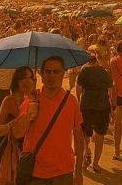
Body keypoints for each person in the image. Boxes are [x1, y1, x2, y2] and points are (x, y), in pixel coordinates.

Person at [13, 56, 84, 185]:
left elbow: (78, 136)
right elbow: (17, 133)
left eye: (56, 71)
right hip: (35, 171)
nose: (52, 76)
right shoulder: (32, 99)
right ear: (42, 73)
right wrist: (28, 115)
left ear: (63, 73)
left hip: (63, 171)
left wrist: (78, 172)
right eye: (48, 71)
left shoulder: (71, 101)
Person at [0, 67, 34, 185]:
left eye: (30, 78)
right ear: (17, 81)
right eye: (23, 78)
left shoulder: (34, 102)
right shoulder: (8, 101)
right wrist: (11, 125)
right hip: (9, 153)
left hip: (28, 154)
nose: (27, 81)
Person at [75, 46, 112, 173]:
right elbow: (111, 90)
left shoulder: (84, 72)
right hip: (102, 107)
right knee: (100, 135)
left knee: (86, 133)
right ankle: (96, 163)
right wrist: (113, 106)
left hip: (86, 106)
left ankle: (87, 151)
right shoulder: (105, 73)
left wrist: (79, 100)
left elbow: (78, 88)